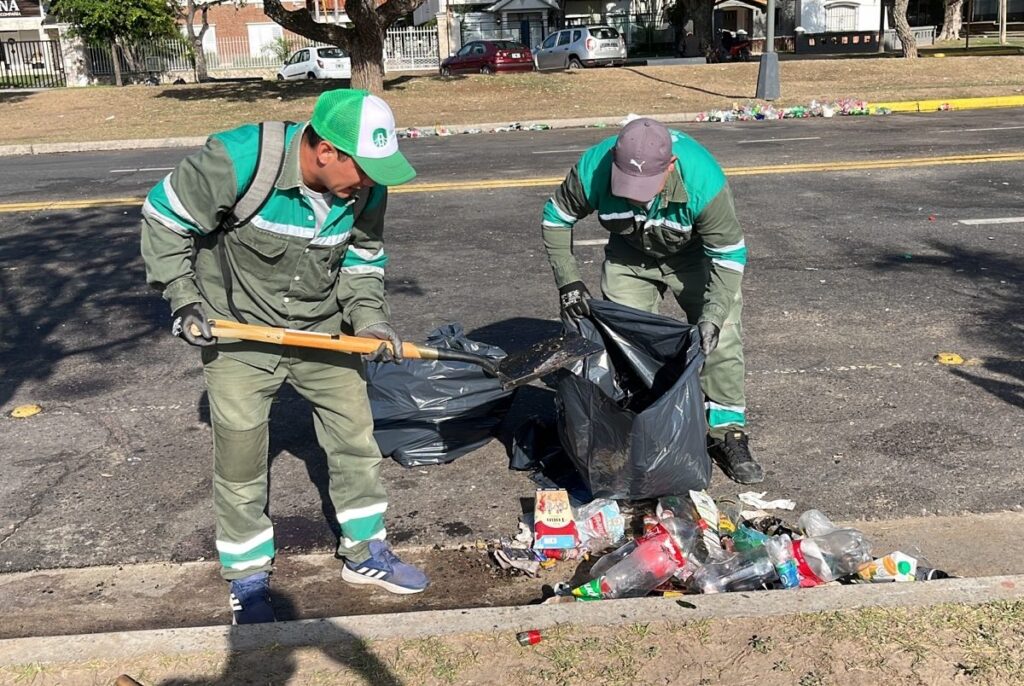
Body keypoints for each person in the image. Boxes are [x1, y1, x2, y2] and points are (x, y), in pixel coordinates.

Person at [140, 89, 428, 624]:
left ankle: (366, 553)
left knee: (355, 438)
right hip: (238, 331)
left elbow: (363, 259)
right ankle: (247, 578)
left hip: (322, 328)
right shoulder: (239, 161)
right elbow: (163, 219)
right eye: (363, 170)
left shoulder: (366, 188)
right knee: (241, 456)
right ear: (325, 152)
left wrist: (370, 320)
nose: (369, 182)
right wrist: (183, 300)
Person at [541, 117, 763, 484]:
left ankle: (728, 432)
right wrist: (569, 282)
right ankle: (641, 426)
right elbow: (556, 218)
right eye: (627, 184)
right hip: (630, 255)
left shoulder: (704, 181)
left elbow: (728, 255)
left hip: (694, 258)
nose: (634, 195)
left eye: (645, 186)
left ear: (671, 166)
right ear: (614, 160)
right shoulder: (592, 168)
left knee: (720, 337)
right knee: (625, 342)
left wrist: (714, 313)